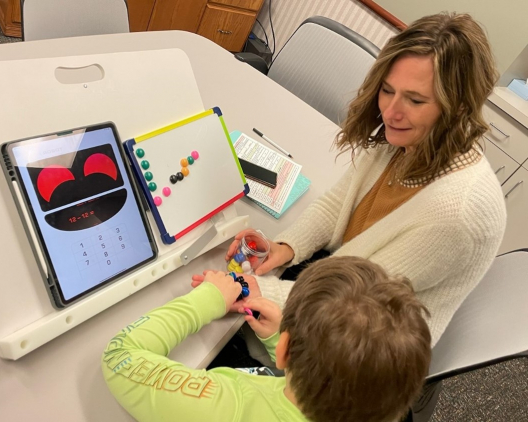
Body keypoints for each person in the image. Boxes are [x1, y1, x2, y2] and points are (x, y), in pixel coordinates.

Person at [195, 12, 506, 347]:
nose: (390, 112)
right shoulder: (411, 139)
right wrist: (285, 248)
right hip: (341, 280)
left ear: (458, 108)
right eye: (387, 90)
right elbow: (336, 206)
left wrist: (251, 288)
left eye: (415, 100)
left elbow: (353, 297)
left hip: (360, 345)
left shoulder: (458, 213)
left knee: (200, 353)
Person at [102, 256, 432, 422]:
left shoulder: (229, 408)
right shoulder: (371, 407)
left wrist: (208, 299)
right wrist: (279, 337)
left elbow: (119, 357)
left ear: (286, 352)